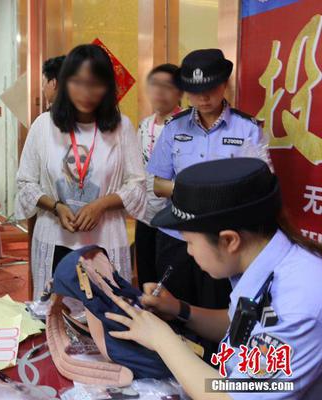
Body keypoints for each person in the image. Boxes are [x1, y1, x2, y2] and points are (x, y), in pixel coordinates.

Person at [106, 158, 322, 399]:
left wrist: (162, 339)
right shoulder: (265, 261)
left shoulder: (296, 305)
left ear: (229, 240)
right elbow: (244, 328)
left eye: (189, 241)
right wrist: (180, 310)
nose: (189, 251)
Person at [147, 49, 271, 328]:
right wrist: (201, 194)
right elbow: (157, 184)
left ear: (224, 84)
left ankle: (213, 358)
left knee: (219, 311)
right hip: (177, 237)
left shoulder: (247, 129)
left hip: (223, 242)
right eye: (194, 91)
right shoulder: (174, 128)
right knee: (171, 312)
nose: (203, 98)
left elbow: (258, 187)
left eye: (211, 89)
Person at [16, 44, 146, 299]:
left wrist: (101, 205)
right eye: (77, 82)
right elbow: (25, 183)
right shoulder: (44, 126)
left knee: (106, 312)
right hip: (55, 241)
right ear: (64, 82)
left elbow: (137, 185)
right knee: (54, 312)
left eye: (95, 84)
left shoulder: (121, 127)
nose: (86, 92)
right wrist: (56, 207)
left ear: (107, 87)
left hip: (104, 243)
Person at [135, 63, 183, 288]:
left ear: (180, 91)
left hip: (175, 220)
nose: (160, 91)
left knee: (171, 283)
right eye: (155, 84)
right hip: (145, 216)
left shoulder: (185, 125)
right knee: (146, 279)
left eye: (168, 86)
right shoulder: (144, 125)